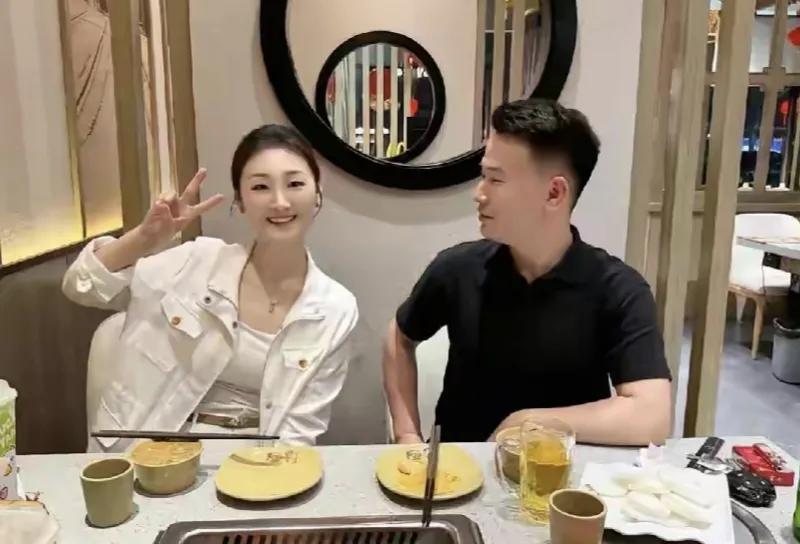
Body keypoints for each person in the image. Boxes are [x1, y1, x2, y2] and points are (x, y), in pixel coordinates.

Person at [383, 98, 672, 446]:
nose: (479, 194)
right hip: (458, 469)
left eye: (495, 179)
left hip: (561, 472)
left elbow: (652, 415)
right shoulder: (457, 269)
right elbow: (399, 337)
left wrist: (529, 422)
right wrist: (407, 433)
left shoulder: (617, 288)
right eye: (483, 176)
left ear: (554, 193)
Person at [63, 124, 358, 451]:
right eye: (260, 186)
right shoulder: (195, 262)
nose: (279, 201)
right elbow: (81, 286)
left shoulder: (335, 309)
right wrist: (143, 239)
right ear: (240, 201)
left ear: (317, 195)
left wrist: (273, 475)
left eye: (295, 184)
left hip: (251, 462)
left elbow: (298, 430)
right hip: (145, 454)